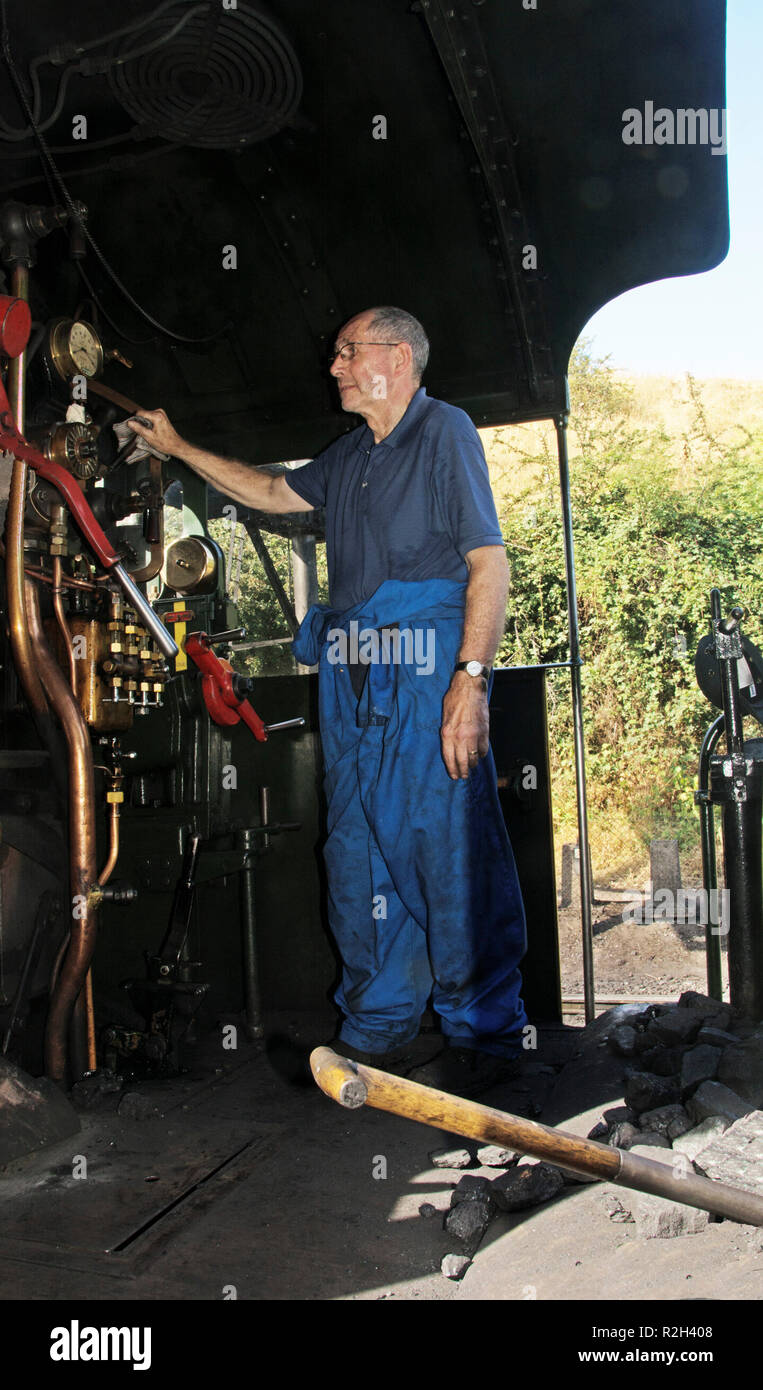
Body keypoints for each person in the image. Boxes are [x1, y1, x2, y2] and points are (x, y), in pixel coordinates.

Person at [128, 306, 527, 1094]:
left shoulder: (443, 431)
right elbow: (273, 492)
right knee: (359, 851)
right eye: (337, 354)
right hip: (349, 673)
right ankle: (378, 1024)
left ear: (400, 356)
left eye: (349, 352)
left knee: (443, 846)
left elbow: (489, 562)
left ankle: (483, 1035)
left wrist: (468, 681)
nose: (335, 367)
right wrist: (175, 448)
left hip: (422, 671)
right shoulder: (348, 457)